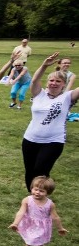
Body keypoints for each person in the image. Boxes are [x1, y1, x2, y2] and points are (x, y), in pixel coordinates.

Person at [20, 52, 79, 192]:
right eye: (51, 80)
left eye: (58, 81)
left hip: (53, 141)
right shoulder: (38, 93)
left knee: (41, 169)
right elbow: (34, 80)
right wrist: (44, 66)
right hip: (30, 139)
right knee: (30, 170)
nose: (54, 83)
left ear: (64, 84)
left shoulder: (67, 97)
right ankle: (32, 197)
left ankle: (41, 195)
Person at [9, 176, 67, 246]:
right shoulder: (26, 200)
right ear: (32, 188)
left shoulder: (50, 204)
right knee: (35, 237)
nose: (37, 192)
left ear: (48, 192)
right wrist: (15, 223)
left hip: (41, 226)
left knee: (33, 239)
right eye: (35, 189)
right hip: (29, 223)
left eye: (41, 191)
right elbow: (21, 212)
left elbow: (55, 217)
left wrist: (60, 228)